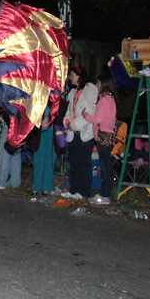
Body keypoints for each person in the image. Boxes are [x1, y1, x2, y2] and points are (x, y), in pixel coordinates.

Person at [61, 65, 98, 201]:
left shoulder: (90, 90)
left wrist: (75, 125)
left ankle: (84, 191)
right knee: (74, 162)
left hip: (84, 132)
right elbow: (69, 110)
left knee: (84, 163)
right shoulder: (73, 92)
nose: (70, 78)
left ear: (79, 76)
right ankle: (74, 189)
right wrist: (67, 121)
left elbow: (89, 112)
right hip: (73, 133)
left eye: (72, 75)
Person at [83, 70, 117, 205]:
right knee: (105, 165)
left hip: (105, 135)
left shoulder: (106, 99)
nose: (97, 85)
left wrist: (86, 115)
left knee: (106, 166)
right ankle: (104, 193)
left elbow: (98, 118)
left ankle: (105, 195)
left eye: (98, 82)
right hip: (104, 134)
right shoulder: (107, 98)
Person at [31, 104, 57, 196]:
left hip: (52, 132)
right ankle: (36, 186)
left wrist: (50, 118)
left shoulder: (56, 98)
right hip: (40, 132)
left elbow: (60, 112)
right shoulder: (39, 97)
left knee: (49, 160)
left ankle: (47, 187)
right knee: (39, 159)